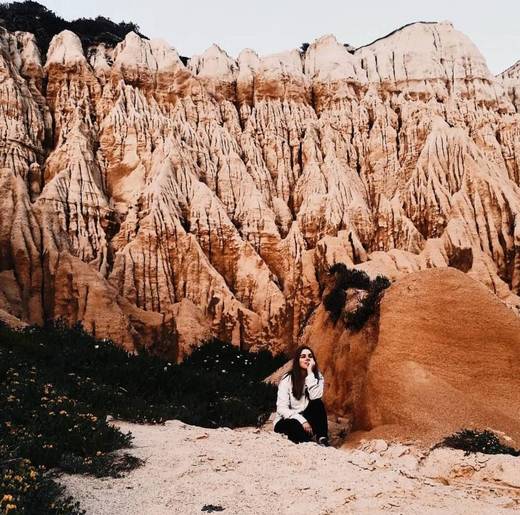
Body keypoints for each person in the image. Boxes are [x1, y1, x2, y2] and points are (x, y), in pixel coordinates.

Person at [273, 346, 329, 445]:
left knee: (318, 404)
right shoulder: (288, 379)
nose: (307, 358)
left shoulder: (318, 377)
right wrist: (302, 420)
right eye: (303, 356)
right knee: (294, 424)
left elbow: (315, 397)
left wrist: (310, 372)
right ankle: (308, 442)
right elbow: (281, 409)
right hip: (287, 420)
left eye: (310, 356)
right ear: (297, 361)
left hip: (306, 418)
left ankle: (322, 438)